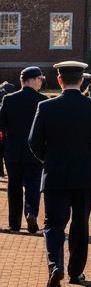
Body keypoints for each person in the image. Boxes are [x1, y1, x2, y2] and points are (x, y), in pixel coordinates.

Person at [29, 61, 91, 287]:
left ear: (59, 80)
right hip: (84, 176)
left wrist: (47, 159)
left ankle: (55, 265)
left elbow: (33, 141)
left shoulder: (46, 107)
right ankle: (75, 272)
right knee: (80, 224)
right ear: (81, 80)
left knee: (53, 224)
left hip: (55, 174)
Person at [0, 65, 46, 234]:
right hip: (35, 152)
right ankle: (31, 213)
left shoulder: (8, 99)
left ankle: (14, 224)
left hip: (12, 152)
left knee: (14, 188)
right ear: (31, 80)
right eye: (39, 79)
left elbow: (1, 125)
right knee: (33, 186)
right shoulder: (43, 100)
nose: (41, 82)